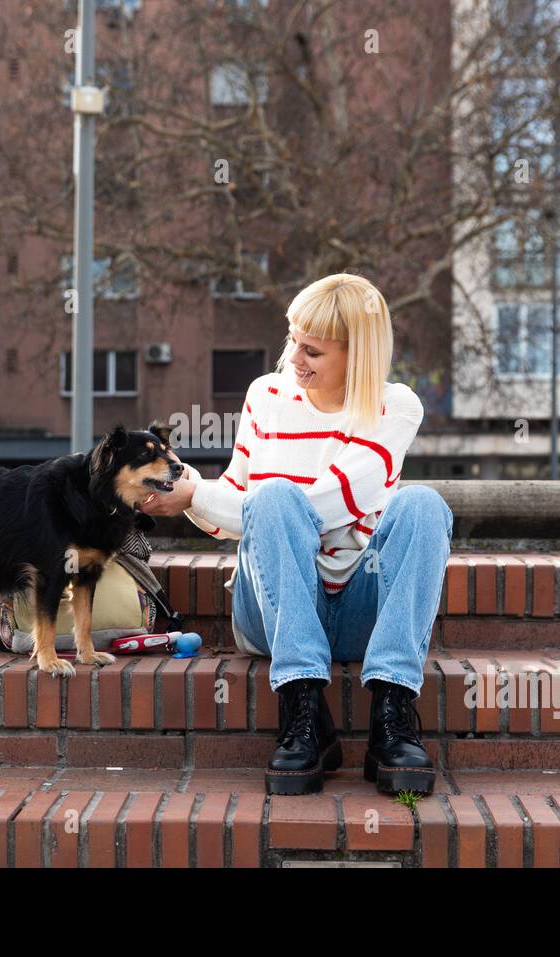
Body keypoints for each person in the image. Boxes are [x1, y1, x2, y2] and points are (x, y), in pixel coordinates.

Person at [138, 273, 453, 796]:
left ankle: (393, 717)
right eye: (293, 339)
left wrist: (203, 496)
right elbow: (241, 504)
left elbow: (332, 503)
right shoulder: (266, 395)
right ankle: (303, 710)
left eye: (314, 350)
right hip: (273, 610)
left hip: (361, 612)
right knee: (273, 499)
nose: (294, 358)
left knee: (423, 505)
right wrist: (188, 491)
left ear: (358, 356)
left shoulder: (396, 407)